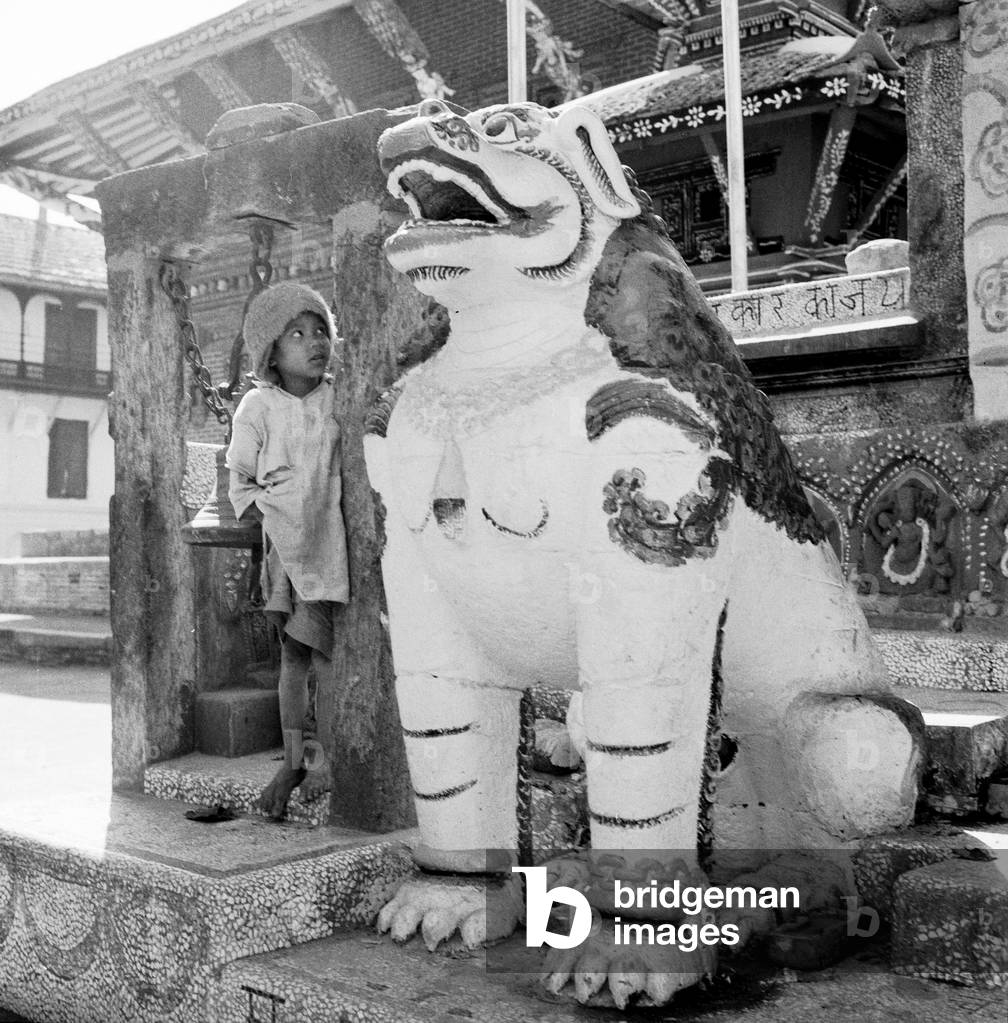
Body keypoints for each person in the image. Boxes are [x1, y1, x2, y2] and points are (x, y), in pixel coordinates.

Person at [226, 282, 350, 819]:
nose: (313, 341)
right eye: (296, 334)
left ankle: (326, 756)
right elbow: (240, 485)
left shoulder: (339, 398)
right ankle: (295, 758)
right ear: (271, 353)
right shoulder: (258, 406)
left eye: (320, 329)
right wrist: (280, 516)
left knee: (326, 654)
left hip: (333, 547)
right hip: (288, 554)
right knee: (295, 655)